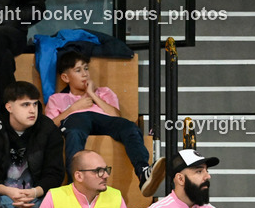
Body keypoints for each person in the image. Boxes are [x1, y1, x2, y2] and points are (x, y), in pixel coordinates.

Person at [45, 50, 165, 198]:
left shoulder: (104, 92)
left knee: (129, 127)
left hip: (103, 120)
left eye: (86, 68)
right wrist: (73, 108)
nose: (85, 74)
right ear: (65, 77)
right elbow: (49, 127)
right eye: (78, 70)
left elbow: (116, 117)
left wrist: (93, 94)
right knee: (74, 132)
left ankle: (143, 172)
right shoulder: (57, 99)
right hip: (76, 121)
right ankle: (75, 185)